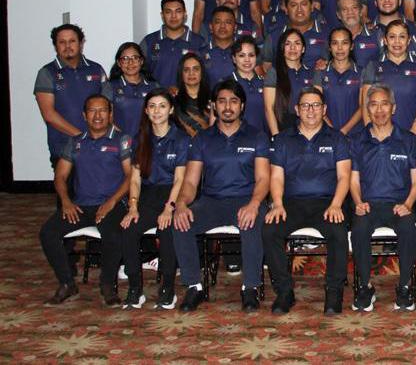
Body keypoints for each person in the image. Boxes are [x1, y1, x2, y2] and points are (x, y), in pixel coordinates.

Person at [172, 79, 271, 312]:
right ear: (214, 106)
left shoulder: (257, 136)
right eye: (222, 101)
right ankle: (194, 286)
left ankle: (250, 287)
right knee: (181, 222)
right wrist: (181, 204)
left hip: (246, 199)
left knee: (252, 222)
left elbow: (263, 179)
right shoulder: (202, 139)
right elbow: (190, 181)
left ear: (242, 106)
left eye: (233, 101)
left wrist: (254, 204)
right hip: (211, 201)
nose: (228, 107)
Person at [263, 87, 351, 315]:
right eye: (305, 106)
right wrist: (277, 203)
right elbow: (276, 177)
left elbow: (344, 177)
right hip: (291, 203)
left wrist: (336, 204)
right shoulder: (283, 139)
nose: (311, 110)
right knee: (270, 230)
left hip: (327, 203)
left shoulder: (338, 138)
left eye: (316, 105)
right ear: (297, 109)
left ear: (324, 109)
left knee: (338, 231)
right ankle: (284, 291)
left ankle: (334, 292)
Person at [40, 94, 130, 306]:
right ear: (84, 115)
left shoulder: (122, 140)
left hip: (112, 204)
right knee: (48, 233)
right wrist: (66, 201)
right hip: (80, 206)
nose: (98, 115)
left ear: (110, 114)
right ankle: (66, 283)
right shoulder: (75, 141)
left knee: (113, 235)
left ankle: (107, 285)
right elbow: (60, 176)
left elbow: (130, 177)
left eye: (103, 110)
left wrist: (112, 202)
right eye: (92, 111)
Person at [349, 84, 416, 312]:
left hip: (399, 205)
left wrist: (408, 204)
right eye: (374, 105)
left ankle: (404, 286)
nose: (379, 110)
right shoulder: (357, 140)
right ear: (367, 109)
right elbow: (353, 180)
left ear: (393, 108)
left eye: (384, 104)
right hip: (368, 204)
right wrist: (358, 202)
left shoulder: (408, 140)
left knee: (408, 229)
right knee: (359, 229)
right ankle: (365, 287)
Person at [119, 88, 187, 309]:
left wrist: (169, 208)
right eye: (152, 106)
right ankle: (135, 288)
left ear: (171, 110)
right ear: (146, 111)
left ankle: (167, 288)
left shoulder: (181, 139)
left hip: (172, 195)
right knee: (129, 229)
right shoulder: (140, 139)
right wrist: (133, 207)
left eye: (162, 106)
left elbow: (180, 180)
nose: (157, 111)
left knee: (167, 230)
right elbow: (135, 179)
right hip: (148, 196)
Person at [34, 24, 107, 165]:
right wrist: (82, 137)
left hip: (99, 148)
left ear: (81, 43)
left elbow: (108, 105)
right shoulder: (47, 73)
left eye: (72, 41)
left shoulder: (96, 69)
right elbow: (48, 114)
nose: (67, 46)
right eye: (62, 42)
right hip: (65, 150)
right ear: (55, 46)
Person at [360, 20, 416, 135]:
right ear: (385, 40)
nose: (397, 41)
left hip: (412, 132)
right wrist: (370, 132)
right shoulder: (373, 65)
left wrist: (415, 128)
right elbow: (366, 102)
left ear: (408, 40)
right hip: (381, 135)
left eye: (402, 37)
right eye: (392, 37)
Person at [140, 0, 205, 88]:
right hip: (157, 96)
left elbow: (206, 76)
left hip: (189, 96)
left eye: (178, 11)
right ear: (162, 15)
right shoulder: (149, 41)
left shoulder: (199, 42)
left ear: (185, 14)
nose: (173, 16)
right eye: (168, 12)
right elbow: (138, 74)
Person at [264, 28, 316, 135]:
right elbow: (269, 109)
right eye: (288, 44)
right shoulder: (274, 72)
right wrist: (276, 136)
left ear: (303, 49)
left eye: (297, 43)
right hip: (282, 128)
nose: (292, 47)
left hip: (307, 129)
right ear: (282, 48)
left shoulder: (312, 73)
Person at [263, 0, 329, 70]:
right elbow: (266, 67)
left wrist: (328, 64)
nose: (299, 9)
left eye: (304, 4)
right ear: (286, 9)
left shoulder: (328, 33)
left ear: (312, 7)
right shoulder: (274, 36)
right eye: (293, 5)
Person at [102, 42, 158, 138]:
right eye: (125, 58)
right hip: (120, 142)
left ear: (141, 61)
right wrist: (123, 139)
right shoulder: (110, 87)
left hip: (149, 141)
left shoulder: (154, 86)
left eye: (135, 58)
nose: (130, 62)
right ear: (119, 63)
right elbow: (105, 118)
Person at [314, 27, 363, 134]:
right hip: (327, 134)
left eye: (344, 43)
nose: (340, 48)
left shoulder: (362, 72)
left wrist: (343, 131)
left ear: (351, 46)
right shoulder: (320, 72)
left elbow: (363, 106)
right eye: (335, 43)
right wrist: (332, 131)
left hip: (356, 135)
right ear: (329, 47)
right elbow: (316, 105)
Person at [230, 37, 267, 134]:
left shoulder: (265, 83)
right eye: (242, 55)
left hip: (262, 139)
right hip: (235, 139)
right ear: (234, 59)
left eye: (251, 55)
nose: (247, 60)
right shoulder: (226, 84)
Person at [336, 0, 382, 69]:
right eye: (344, 9)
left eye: (354, 8)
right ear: (338, 15)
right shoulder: (331, 38)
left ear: (361, 12)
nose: (350, 12)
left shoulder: (377, 34)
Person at [172, 53, 212, 138]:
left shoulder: (213, 98)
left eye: (196, 69)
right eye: (186, 70)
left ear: (202, 72)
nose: (191, 73)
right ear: (181, 74)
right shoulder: (173, 100)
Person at [202, 6, 238, 85]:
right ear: (211, 27)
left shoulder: (243, 51)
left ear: (235, 27)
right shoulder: (201, 53)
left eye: (228, 22)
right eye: (218, 22)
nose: (222, 26)